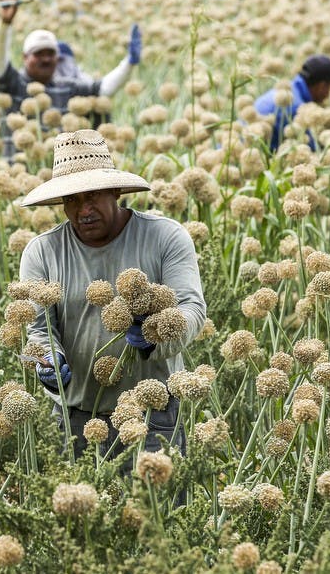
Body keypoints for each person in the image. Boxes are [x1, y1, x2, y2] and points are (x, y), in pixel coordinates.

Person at [19, 129, 207, 460]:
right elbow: (37, 329)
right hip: (73, 420)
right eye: (72, 200)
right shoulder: (42, 252)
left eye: (92, 195)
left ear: (116, 190)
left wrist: (154, 335)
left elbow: (191, 309)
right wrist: (47, 362)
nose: (83, 210)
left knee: (151, 496)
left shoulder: (165, 237)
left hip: (151, 416)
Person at [0, 0, 141, 115]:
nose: (46, 59)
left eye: (50, 54)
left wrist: (129, 63)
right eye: (38, 54)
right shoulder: (14, 84)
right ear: (25, 58)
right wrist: (5, 24)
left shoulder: (67, 87)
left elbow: (103, 89)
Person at [253, 54, 330, 152]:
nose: (328, 94)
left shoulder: (289, 90)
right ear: (322, 86)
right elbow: (312, 147)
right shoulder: (294, 106)